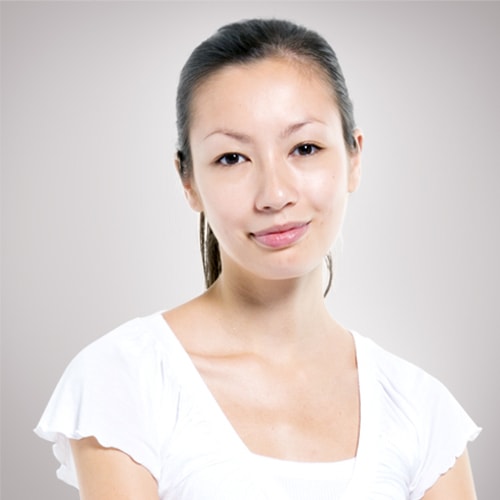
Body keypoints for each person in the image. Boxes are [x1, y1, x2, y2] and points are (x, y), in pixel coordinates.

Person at [35, 18, 481, 499]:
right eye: (232, 158)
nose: (274, 194)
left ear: (354, 157)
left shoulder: (422, 410)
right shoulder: (125, 379)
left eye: (305, 148)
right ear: (188, 181)